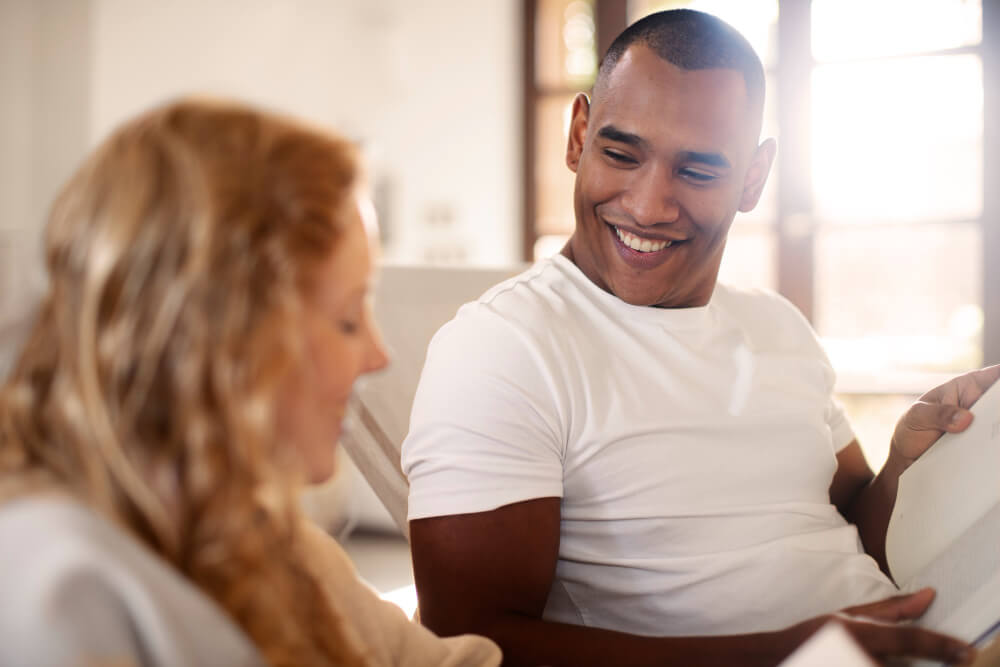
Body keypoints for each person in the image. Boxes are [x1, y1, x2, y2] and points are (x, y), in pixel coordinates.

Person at [401, 9, 997, 666]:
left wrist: (904, 464)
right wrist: (788, 653)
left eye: (698, 170)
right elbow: (469, 645)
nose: (649, 205)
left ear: (752, 177)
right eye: (621, 153)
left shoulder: (777, 325)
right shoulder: (506, 347)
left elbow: (851, 532)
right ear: (578, 135)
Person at [0, 99, 501, 667]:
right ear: (224, 336)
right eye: (346, 318)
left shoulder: (264, 537)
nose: (378, 355)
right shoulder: (59, 593)